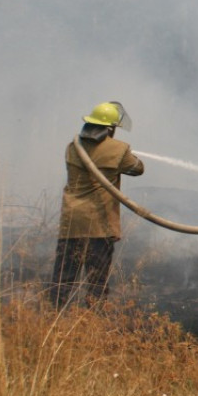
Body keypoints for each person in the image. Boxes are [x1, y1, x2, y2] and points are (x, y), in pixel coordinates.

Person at [49, 101, 144, 309]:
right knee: (96, 280)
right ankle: (92, 318)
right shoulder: (118, 150)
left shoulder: (73, 147)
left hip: (72, 222)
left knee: (63, 277)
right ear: (110, 128)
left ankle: (53, 315)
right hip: (99, 224)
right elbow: (138, 168)